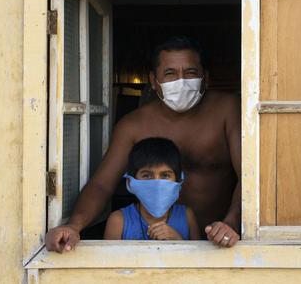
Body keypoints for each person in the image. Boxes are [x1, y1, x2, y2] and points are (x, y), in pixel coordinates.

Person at [46, 36, 241, 252]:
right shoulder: (134, 125)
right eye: (170, 73)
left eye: (190, 73)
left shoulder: (227, 109)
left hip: (219, 241)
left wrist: (231, 223)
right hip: (146, 244)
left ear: (205, 78)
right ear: (153, 80)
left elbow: (249, 177)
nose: (181, 81)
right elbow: (102, 184)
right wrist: (74, 226)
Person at [103, 137, 201, 241]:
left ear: (179, 180)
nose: (157, 184)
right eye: (147, 176)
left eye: (165, 176)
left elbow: (200, 257)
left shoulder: (187, 217)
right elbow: (109, 257)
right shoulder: (118, 221)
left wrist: (178, 240)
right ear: (130, 182)